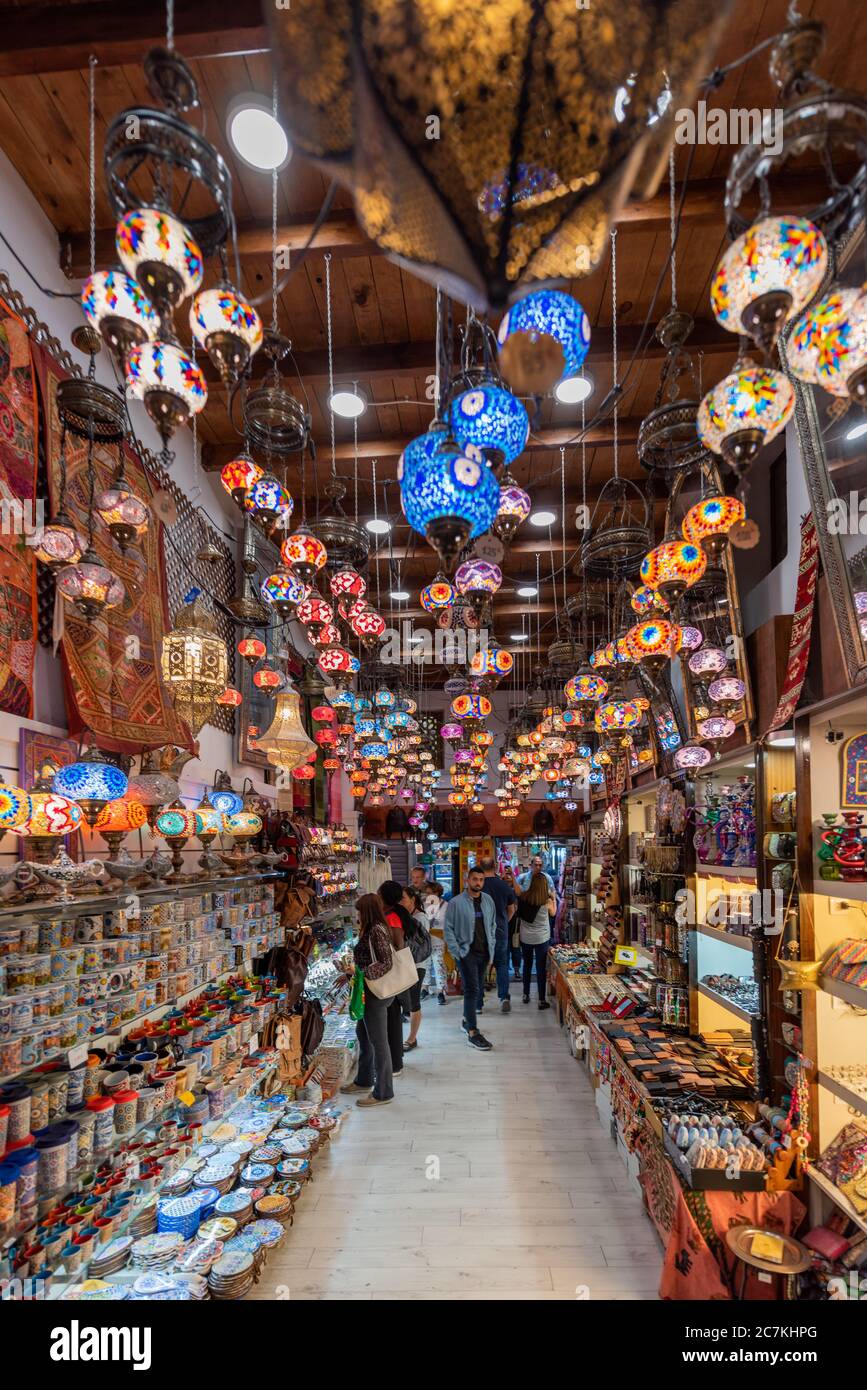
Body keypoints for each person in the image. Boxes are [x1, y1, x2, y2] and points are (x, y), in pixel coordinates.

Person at [343, 894, 396, 1106]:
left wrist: (362, 973)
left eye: (359, 910)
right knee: (363, 1036)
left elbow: (386, 962)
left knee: (378, 1042)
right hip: (366, 992)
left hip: (375, 993)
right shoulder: (370, 929)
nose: (357, 914)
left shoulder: (377, 930)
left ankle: (383, 1092)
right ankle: (364, 1079)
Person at [443, 866, 496, 1050]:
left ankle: (466, 1020)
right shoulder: (456, 903)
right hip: (466, 953)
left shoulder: (488, 901)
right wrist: (456, 951)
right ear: (468, 880)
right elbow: (448, 929)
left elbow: (492, 925)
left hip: (484, 952)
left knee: (478, 988)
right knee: (472, 989)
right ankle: (473, 1032)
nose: (478, 883)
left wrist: (492, 949)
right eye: (474, 879)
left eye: (481, 880)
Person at [378, 880, 411, 1076]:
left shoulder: (392, 918)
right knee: (392, 1018)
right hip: (391, 972)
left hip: (391, 974)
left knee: (391, 1019)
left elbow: (398, 945)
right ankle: (396, 1060)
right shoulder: (394, 914)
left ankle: (395, 1064)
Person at [479, 856, 517, 1014]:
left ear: (480, 867)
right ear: (495, 866)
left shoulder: (476, 886)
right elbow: (512, 909)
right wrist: (503, 923)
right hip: (500, 930)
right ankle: (504, 998)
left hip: (480, 932)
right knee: (501, 964)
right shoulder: (504, 885)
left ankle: (478, 1003)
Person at [516, 871, 553, 1009]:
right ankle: (541, 999)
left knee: (526, 965)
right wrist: (554, 898)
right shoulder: (547, 901)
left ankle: (526, 994)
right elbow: (553, 913)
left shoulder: (524, 898)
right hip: (542, 937)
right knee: (540, 967)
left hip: (526, 936)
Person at [403, 887, 432, 1049]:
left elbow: (416, 943)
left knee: (414, 1002)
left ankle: (412, 1039)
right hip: (407, 964)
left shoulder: (420, 917)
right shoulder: (409, 916)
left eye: (404, 899)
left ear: (413, 900)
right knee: (409, 1001)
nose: (401, 902)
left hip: (417, 965)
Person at [423, 881, 448, 1004]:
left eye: (429, 893)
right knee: (425, 964)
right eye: (426, 893)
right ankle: (425, 987)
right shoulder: (423, 905)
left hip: (439, 939)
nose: (427, 895)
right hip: (425, 940)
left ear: (437, 893)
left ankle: (441, 991)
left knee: (439, 965)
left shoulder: (446, 906)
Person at [501, 865, 523, 979]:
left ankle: (516, 969)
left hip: (515, 924)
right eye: (506, 878)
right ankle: (505, 969)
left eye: (509, 877)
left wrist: (513, 876)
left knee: (515, 947)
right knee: (504, 947)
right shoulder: (501, 890)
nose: (508, 879)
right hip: (503, 923)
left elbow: (519, 892)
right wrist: (503, 876)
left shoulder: (515, 891)